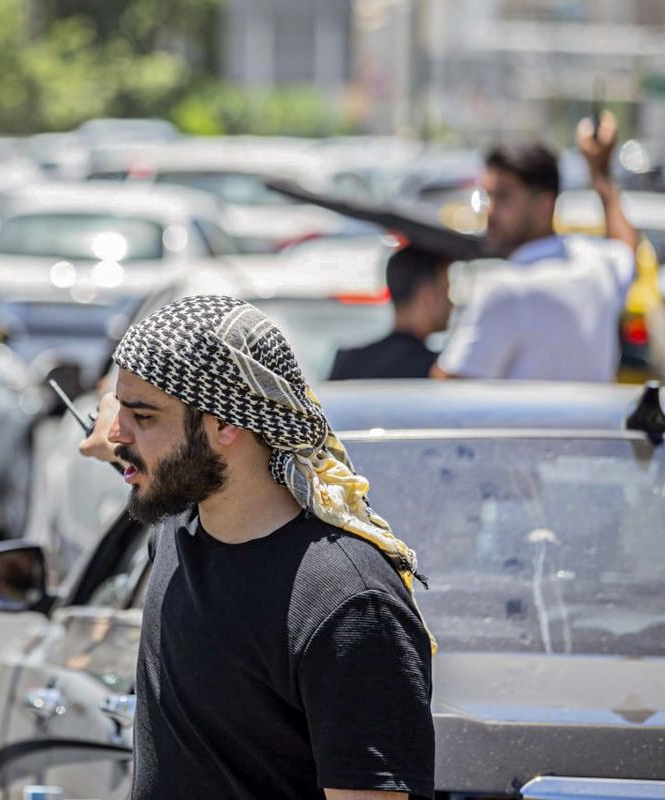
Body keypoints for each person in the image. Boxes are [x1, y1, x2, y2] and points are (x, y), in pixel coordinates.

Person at [79, 295, 435, 800]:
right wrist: (122, 434)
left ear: (227, 424)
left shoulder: (348, 607)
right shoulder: (180, 524)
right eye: (122, 411)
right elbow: (137, 446)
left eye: (142, 415)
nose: (119, 433)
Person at [432, 112, 638, 381]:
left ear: (544, 204)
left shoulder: (505, 288)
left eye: (503, 197)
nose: (490, 212)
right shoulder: (594, 265)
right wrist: (600, 174)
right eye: (488, 196)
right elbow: (625, 247)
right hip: (597, 425)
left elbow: (449, 391)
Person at [329, 244, 452, 379]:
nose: (451, 304)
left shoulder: (346, 361)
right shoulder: (436, 371)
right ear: (429, 298)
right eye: (446, 292)